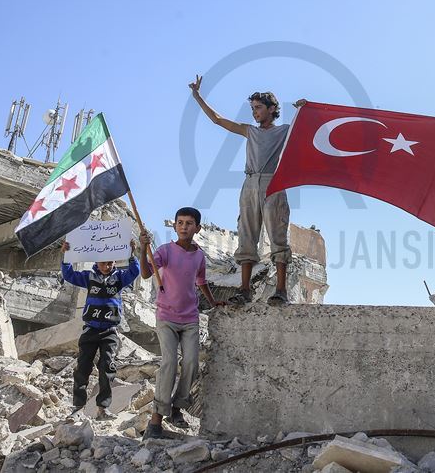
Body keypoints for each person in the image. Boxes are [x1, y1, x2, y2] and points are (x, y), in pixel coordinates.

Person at [189, 75, 304, 306]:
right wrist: (197, 96)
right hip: (250, 183)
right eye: (252, 108)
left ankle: (281, 290)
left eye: (259, 107)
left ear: (272, 109)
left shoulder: (284, 131)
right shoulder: (249, 131)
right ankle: (244, 290)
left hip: (273, 182)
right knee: (246, 235)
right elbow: (218, 120)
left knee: (277, 236)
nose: (255, 112)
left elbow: (306, 129)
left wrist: (303, 109)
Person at [140, 207, 224, 439]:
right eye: (180, 223)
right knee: (168, 363)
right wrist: (142, 249)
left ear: (198, 228)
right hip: (166, 317)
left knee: (191, 363)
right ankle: (156, 419)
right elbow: (146, 273)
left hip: (190, 319)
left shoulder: (199, 256)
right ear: (175, 226)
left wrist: (213, 302)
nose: (184, 226)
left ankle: (177, 407)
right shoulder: (165, 251)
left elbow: (201, 281)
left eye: (189, 223)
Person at [61, 239, 140, 419]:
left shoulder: (119, 278)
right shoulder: (89, 277)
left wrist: (131, 254)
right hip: (90, 330)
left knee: (107, 367)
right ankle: (78, 408)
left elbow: (134, 271)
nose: (107, 266)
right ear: (96, 262)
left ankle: (102, 408)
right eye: (103, 262)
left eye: (110, 263)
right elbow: (69, 275)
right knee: (83, 368)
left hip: (110, 332)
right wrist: (66, 256)